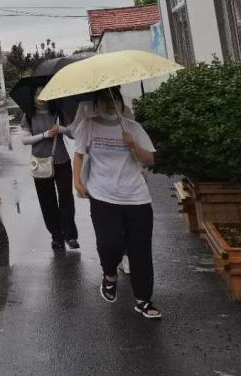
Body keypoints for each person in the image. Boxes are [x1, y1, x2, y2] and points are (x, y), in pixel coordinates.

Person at [73, 87, 161, 320]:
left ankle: (143, 300)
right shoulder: (87, 126)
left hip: (136, 197)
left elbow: (150, 160)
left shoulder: (133, 127)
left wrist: (133, 145)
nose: (109, 104)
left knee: (140, 250)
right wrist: (77, 182)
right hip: (103, 196)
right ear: (96, 104)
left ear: (120, 102)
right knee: (109, 244)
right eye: (103, 100)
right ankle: (110, 274)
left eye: (113, 100)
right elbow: (79, 154)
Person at [22, 97, 78, 252]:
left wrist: (62, 129)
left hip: (62, 161)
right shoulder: (29, 115)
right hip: (40, 162)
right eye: (37, 94)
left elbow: (73, 134)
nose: (40, 97)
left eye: (43, 93)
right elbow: (25, 140)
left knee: (66, 199)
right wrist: (45, 134)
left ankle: (70, 235)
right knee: (47, 202)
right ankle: (56, 237)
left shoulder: (59, 112)